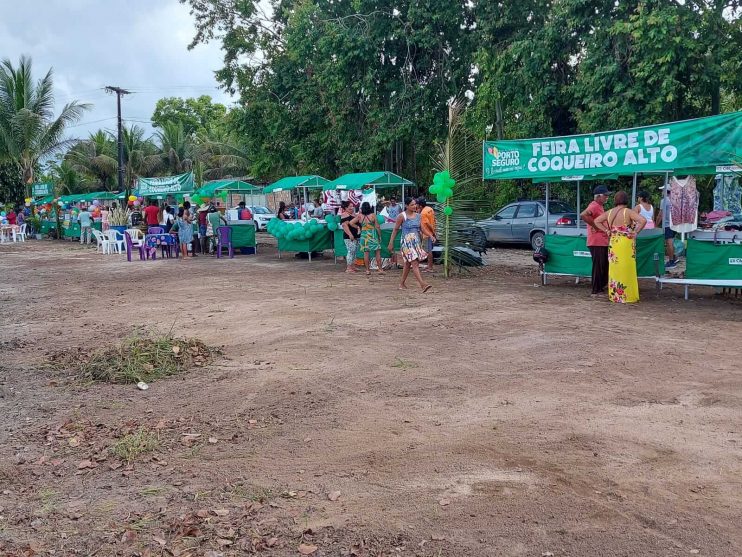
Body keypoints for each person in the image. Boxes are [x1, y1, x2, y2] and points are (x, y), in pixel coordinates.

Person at [593, 191, 647, 304]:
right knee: (627, 268)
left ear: (615, 200)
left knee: (615, 269)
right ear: (626, 200)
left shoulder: (610, 212)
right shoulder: (628, 212)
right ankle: (628, 296)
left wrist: (607, 230)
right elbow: (643, 220)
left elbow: (596, 221)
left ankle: (615, 296)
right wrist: (636, 232)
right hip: (626, 244)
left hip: (614, 244)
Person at [388, 198, 432, 292]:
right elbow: (395, 230)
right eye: (412, 205)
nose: (414, 206)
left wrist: (430, 235)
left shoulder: (418, 216)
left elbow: (422, 228)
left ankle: (401, 283)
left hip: (416, 242)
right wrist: (391, 242)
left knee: (408, 264)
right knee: (415, 263)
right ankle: (422, 284)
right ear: (406, 206)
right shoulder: (402, 216)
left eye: (415, 204)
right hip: (406, 243)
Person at [580, 185, 611, 296]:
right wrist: (595, 225)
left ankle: (600, 287)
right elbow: (583, 215)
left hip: (601, 240)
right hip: (596, 241)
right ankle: (596, 289)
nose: (607, 198)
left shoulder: (599, 206)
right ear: (598, 196)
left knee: (602, 265)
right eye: (605, 196)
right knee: (598, 266)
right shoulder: (594, 205)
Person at [353, 201, 385, 275]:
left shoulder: (360, 216)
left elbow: (351, 222)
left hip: (364, 236)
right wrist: (379, 235)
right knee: (377, 252)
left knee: (366, 253)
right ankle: (380, 269)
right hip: (373, 235)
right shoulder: (373, 215)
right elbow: (377, 226)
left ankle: (367, 270)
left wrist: (359, 227)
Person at [658, 187, 677, 268]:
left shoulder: (664, 201)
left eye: (662, 190)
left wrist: (656, 224)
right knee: (671, 242)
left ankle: (671, 261)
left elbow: (661, 214)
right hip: (674, 224)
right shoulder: (674, 200)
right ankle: (674, 258)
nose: (662, 192)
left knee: (669, 243)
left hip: (667, 224)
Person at [339, 200, 359, 273]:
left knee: (354, 251)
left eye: (352, 206)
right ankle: (349, 267)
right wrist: (350, 234)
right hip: (348, 236)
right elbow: (344, 225)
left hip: (355, 235)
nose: (352, 207)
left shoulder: (353, 214)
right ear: (346, 208)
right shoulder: (344, 214)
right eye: (350, 206)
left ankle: (353, 266)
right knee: (351, 251)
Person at [417, 197, 437, 272]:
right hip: (431, 232)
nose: (416, 206)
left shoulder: (423, 213)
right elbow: (434, 220)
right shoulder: (430, 209)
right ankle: (429, 266)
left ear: (420, 206)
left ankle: (430, 267)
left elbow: (427, 224)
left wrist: (431, 232)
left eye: (417, 204)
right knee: (429, 250)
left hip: (427, 234)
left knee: (428, 251)